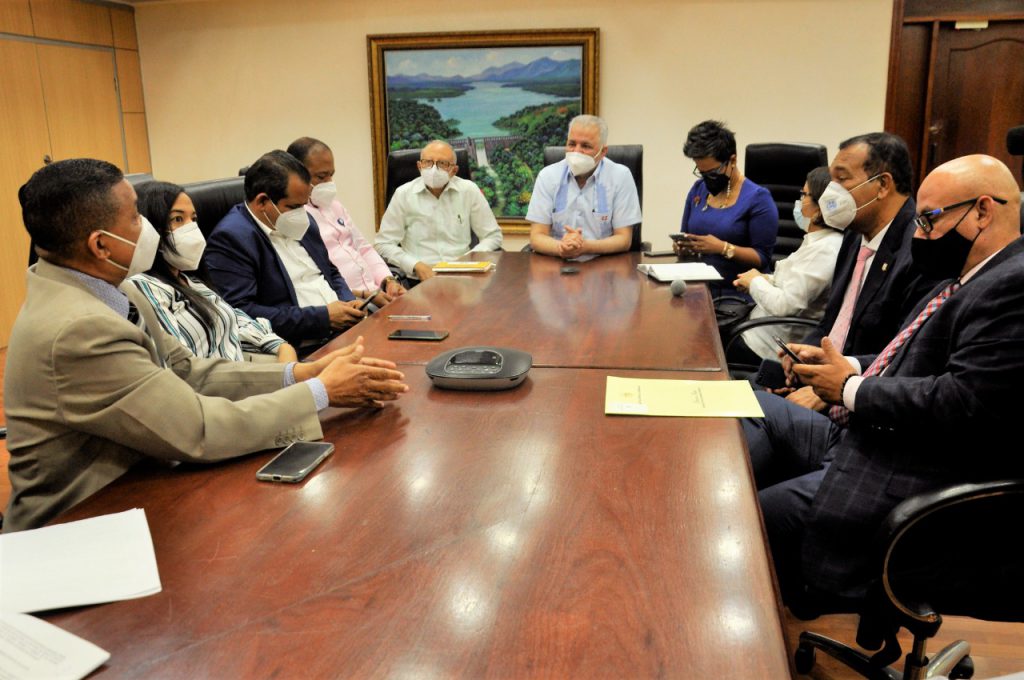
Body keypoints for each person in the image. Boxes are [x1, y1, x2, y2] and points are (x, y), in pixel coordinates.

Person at [4, 158, 408, 532]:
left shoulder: (114, 289)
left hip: (144, 486)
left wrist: (297, 374)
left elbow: (186, 370)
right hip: (82, 526)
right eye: (136, 217)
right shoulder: (80, 329)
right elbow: (196, 428)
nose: (147, 228)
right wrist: (321, 393)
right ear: (100, 245)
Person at [743, 154, 1024, 603]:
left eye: (928, 220)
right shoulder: (965, 277)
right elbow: (912, 358)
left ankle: (779, 613)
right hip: (871, 436)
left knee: (751, 516)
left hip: (912, 470)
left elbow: (963, 400)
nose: (918, 235)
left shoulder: (1013, 285)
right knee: (747, 404)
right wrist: (846, 365)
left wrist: (849, 389)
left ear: (983, 211)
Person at [778, 132, 938, 412]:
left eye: (841, 179)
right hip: (823, 385)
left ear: (882, 185)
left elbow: (907, 358)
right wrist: (805, 355)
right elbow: (831, 322)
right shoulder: (854, 236)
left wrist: (839, 387)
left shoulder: (920, 250)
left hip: (862, 403)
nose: (830, 191)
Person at [204, 150, 369, 351]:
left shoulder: (302, 222)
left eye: (304, 205)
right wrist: (323, 318)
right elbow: (242, 313)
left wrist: (348, 302)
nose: (302, 214)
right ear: (262, 201)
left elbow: (330, 272)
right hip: (301, 349)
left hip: (345, 333)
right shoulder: (232, 239)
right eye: (293, 206)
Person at [128, 181, 298, 363]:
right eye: (178, 219)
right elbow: (181, 365)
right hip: (219, 378)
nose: (191, 228)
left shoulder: (191, 281)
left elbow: (239, 322)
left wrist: (283, 347)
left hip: (240, 367)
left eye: (193, 219)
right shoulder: (145, 286)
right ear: (150, 227)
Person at [729, 167, 843, 362]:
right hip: (757, 330)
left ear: (820, 208)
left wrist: (755, 282)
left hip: (767, 348)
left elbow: (785, 306)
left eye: (804, 195)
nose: (799, 201)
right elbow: (793, 283)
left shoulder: (825, 251)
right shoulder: (817, 241)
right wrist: (765, 279)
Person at [287, 137, 405, 304]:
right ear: (296, 174)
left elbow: (364, 248)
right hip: (346, 303)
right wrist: (364, 296)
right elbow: (312, 280)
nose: (329, 183)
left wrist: (388, 280)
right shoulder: (294, 219)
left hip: (375, 294)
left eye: (331, 175)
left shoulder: (335, 206)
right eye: (321, 176)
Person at [375, 139, 502, 284]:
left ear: (454, 170)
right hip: (418, 280)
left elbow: (492, 236)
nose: (434, 169)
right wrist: (415, 265)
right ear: (419, 166)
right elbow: (383, 244)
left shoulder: (469, 190)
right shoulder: (403, 194)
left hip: (463, 277)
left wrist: (470, 259)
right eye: (428, 162)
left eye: (442, 164)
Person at [675, 120, 778, 293]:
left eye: (713, 172)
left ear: (733, 160)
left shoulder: (758, 199)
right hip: (698, 289)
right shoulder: (698, 190)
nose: (707, 179)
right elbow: (685, 234)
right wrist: (682, 247)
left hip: (736, 293)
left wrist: (723, 248)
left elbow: (762, 258)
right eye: (702, 172)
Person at [526, 114, 641, 261]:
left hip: (604, 264)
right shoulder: (548, 176)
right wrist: (562, 247)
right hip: (557, 263)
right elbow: (537, 237)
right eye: (572, 144)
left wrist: (585, 247)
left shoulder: (620, 176)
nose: (576, 151)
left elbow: (624, 239)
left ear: (603, 152)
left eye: (585, 146)